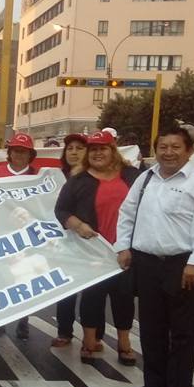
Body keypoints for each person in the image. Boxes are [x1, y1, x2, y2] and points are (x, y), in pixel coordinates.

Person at [115, 127, 194, 387]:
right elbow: (127, 213)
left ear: (188, 152)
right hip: (146, 263)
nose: (169, 152)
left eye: (176, 147)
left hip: (182, 265)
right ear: (156, 149)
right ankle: (154, 383)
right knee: (151, 327)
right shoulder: (145, 179)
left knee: (183, 333)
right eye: (163, 147)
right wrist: (123, 246)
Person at [54, 130, 140, 364]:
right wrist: (78, 225)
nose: (97, 153)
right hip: (93, 250)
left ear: (113, 151)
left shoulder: (132, 175)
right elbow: (61, 210)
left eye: (103, 148)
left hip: (124, 249)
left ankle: (125, 343)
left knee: (123, 298)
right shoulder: (78, 181)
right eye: (93, 149)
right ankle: (89, 342)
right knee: (93, 297)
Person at [0, 132, 39, 338]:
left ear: (30, 155)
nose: (19, 155)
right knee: (1, 277)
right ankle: (0, 320)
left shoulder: (37, 175)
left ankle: (23, 319)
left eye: (23, 151)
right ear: (9, 153)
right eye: (16, 150)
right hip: (2, 233)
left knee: (24, 277)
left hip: (26, 235)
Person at [50, 133, 88, 347]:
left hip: (89, 237)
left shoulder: (95, 176)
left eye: (79, 148)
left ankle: (94, 335)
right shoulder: (52, 176)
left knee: (93, 291)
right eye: (70, 148)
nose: (74, 152)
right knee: (66, 288)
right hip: (62, 240)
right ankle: (65, 331)